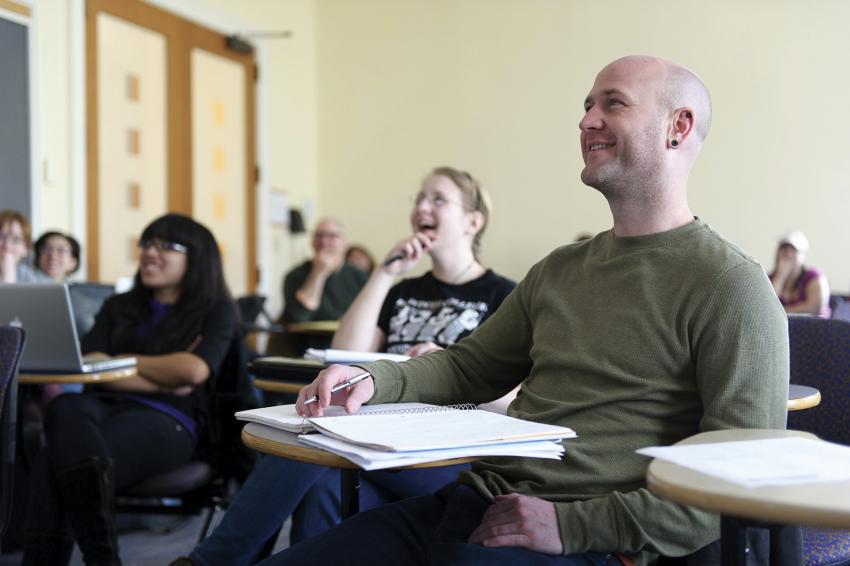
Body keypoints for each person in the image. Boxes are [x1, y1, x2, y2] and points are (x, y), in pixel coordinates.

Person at [267, 56, 789, 565]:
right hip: (478, 504)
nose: (586, 121)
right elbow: (468, 367)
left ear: (678, 126)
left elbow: (738, 477)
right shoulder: (559, 269)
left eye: (613, 103)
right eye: (586, 106)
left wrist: (572, 527)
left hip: (593, 538)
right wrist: (371, 378)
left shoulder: (731, 285)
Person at [179, 166, 515, 566]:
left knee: (312, 439)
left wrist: (447, 366)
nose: (422, 207)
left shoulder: (502, 295)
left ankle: (209, 562)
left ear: (473, 221)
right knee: (324, 488)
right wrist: (384, 273)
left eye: (438, 199)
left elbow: (515, 397)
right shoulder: (403, 291)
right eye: (420, 198)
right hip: (377, 433)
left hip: (445, 453)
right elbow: (346, 356)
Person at [22, 214, 238, 566]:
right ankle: (103, 558)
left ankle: (90, 558)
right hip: (101, 407)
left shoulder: (215, 310)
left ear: (196, 257)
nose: (151, 252)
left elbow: (194, 370)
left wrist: (120, 360)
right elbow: (90, 362)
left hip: (170, 419)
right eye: (147, 243)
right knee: (63, 409)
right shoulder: (119, 305)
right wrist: (163, 373)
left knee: (53, 458)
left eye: (166, 245)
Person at [273, 217, 367, 355]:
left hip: (348, 348)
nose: (324, 242)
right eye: (319, 236)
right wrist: (318, 273)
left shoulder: (358, 276)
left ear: (343, 242)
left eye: (331, 236)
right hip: (305, 349)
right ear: (311, 241)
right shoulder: (294, 276)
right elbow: (299, 317)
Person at [768, 229, 830, 316]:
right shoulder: (768, 279)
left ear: (802, 255)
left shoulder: (814, 277)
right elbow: (766, 308)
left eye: (793, 250)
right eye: (784, 249)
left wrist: (780, 312)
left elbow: (814, 308)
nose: (788, 255)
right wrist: (780, 277)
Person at [0, 209, 51, 283]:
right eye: (1, 237)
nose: (7, 246)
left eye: (16, 240)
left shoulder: (32, 278)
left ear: (26, 249)